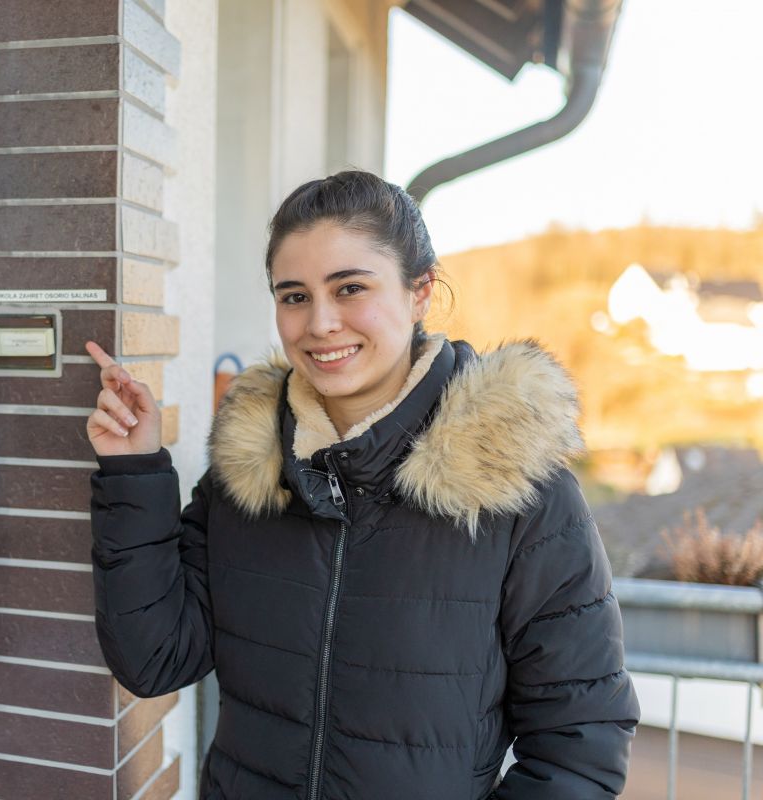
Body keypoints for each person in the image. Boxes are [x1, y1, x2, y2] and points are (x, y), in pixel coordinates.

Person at [84, 170, 639, 799]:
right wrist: (133, 471)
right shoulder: (249, 475)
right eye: (293, 296)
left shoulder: (516, 489)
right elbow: (154, 658)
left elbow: (579, 745)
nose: (320, 323)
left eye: (350, 288)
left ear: (420, 291)